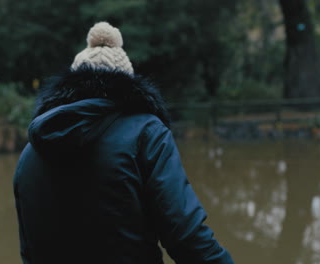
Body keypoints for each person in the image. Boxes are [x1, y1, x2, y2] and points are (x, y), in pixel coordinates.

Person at [13, 22, 234, 264]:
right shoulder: (146, 133)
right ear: (127, 87)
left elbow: (29, 253)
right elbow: (187, 239)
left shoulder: (31, 151)